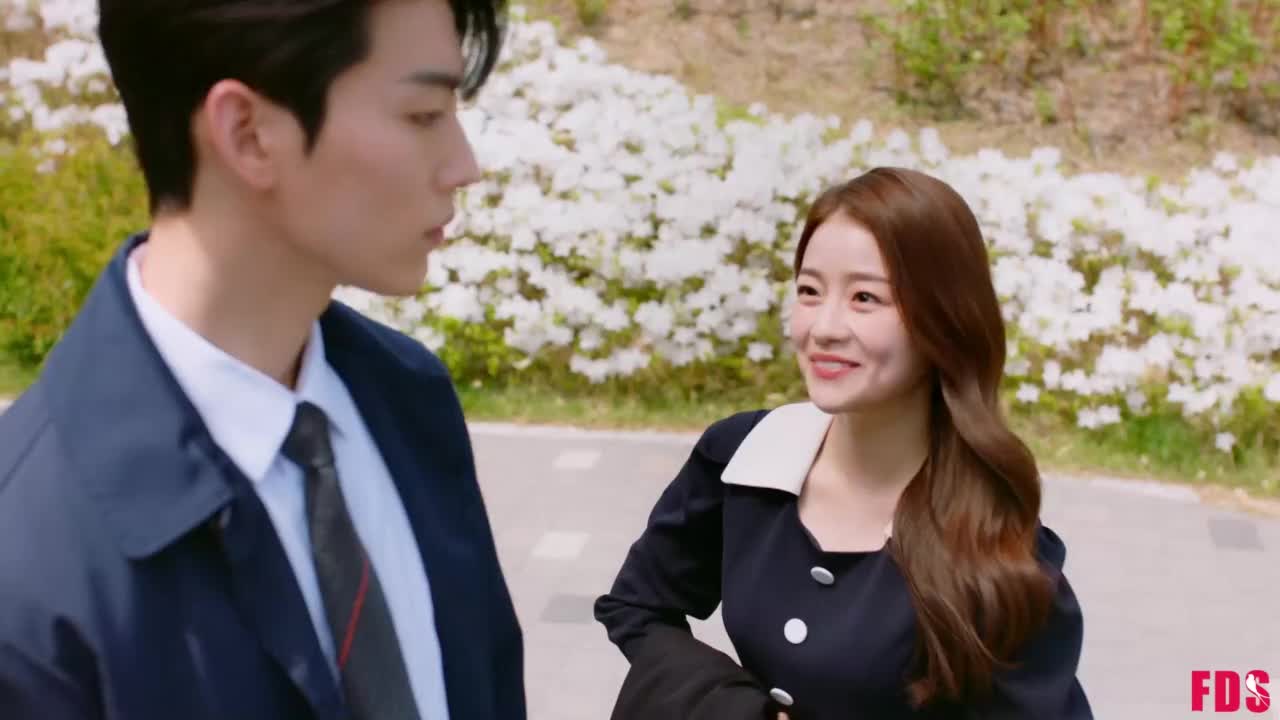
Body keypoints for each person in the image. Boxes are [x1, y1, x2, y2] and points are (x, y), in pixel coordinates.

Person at [0, 1, 525, 718]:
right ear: (247, 133)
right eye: (424, 115)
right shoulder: (29, 565)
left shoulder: (408, 396)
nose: (465, 167)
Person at [595, 167, 1094, 720]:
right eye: (809, 291)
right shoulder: (744, 458)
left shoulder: (1001, 554)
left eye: (865, 298)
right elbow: (637, 607)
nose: (824, 327)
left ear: (946, 319)